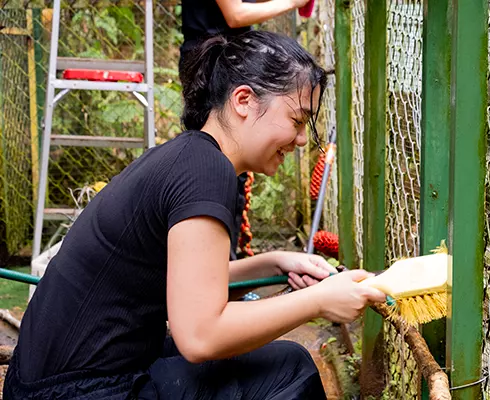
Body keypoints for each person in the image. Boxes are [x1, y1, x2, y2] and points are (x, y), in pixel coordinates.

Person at [4, 31, 386, 400]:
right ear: (243, 100)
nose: (302, 140)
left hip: (39, 383)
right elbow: (201, 336)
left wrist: (270, 262)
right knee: (290, 368)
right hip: (76, 390)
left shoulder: (187, 155)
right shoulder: (206, 171)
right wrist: (319, 301)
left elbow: (186, 281)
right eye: (298, 120)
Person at [180, 0, 312, 260]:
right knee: (218, 166)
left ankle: (226, 265)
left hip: (225, 62)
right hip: (211, 67)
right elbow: (236, 14)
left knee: (232, 172)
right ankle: (219, 267)